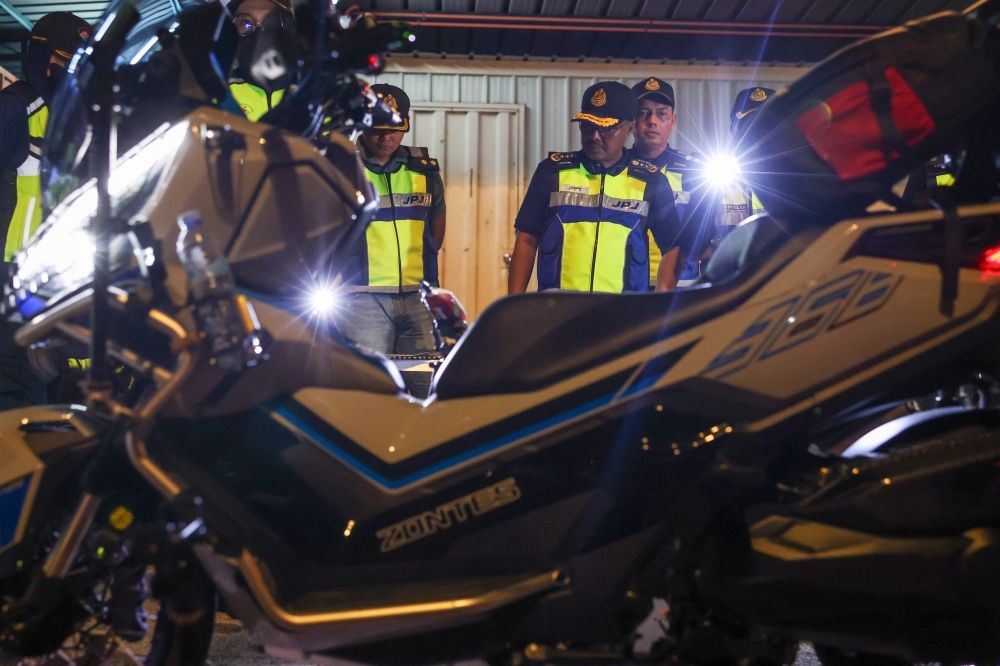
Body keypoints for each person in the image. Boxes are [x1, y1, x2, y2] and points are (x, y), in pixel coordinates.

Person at [508, 81, 691, 294]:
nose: (594, 136)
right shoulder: (552, 171)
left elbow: (673, 246)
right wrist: (515, 304)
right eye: (587, 126)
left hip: (623, 316)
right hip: (556, 311)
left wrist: (658, 302)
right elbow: (527, 239)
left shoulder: (651, 180)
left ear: (629, 128)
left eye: (606, 129)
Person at [0, 11, 89, 409]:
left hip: (58, 272)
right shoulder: (17, 107)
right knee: (17, 374)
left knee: (54, 370)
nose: (71, 70)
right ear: (41, 57)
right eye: (64, 60)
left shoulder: (77, 113)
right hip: (13, 271)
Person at [338, 84, 445, 359]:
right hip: (361, 298)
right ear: (363, 126)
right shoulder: (342, 169)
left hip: (420, 296)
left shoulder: (424, 169)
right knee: (371, 387)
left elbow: (437, 228)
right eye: (378, 130)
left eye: (394, 130)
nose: (386, 138)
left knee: (423, 383)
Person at [630, 77, 707, 289]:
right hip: (629, 288)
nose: (652, 120)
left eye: (661, 113)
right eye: (643, 113)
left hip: (686, 286)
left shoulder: (697, 171)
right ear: (631, 120)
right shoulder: (616, 170)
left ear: (672, 121)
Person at [228, 0, 293, 121]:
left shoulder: (310, 91)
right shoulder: (221, 94)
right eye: (245, 23)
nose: (259, 35)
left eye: (271, 22)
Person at [719, 87, 774, 231]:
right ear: (732, 130)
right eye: (746, 125)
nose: (754, 132)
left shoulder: (797, 180)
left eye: (763, 125)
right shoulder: (714, 184)